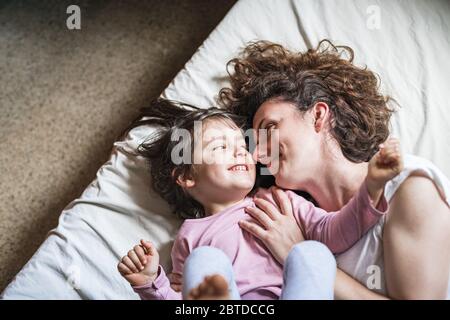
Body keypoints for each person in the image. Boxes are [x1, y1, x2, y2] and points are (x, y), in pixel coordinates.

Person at [218, 39, 450, 299]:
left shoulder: (407, 187)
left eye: (269, 129)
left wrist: (301, 253)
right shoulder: (291, 220)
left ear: (318, 115)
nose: (258, 154)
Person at [117, 98, 401, 300]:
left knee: (312, 254)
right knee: (203, 261)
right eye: (220, 147)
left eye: (242, 146)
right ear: (187, 177)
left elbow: (336, 232)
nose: (242, 153)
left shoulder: (279, 201)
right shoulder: (189, 239)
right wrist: (151, 283)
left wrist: (372, 188)